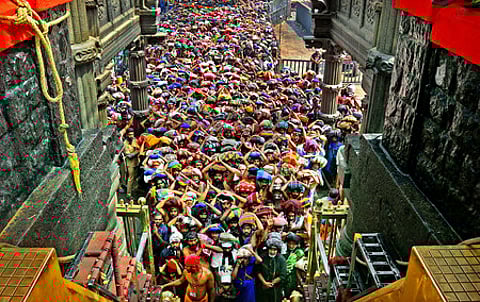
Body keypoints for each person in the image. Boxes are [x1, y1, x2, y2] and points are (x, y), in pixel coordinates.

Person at [256, 236, 287, 302]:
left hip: (276, 288)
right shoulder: (262, 257)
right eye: (271, 249)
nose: (272, 252)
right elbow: (257, 271)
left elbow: (283, 275)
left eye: (275, 250)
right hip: (262, 286)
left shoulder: (281, 259)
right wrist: (264, 283)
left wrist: (271, 283)